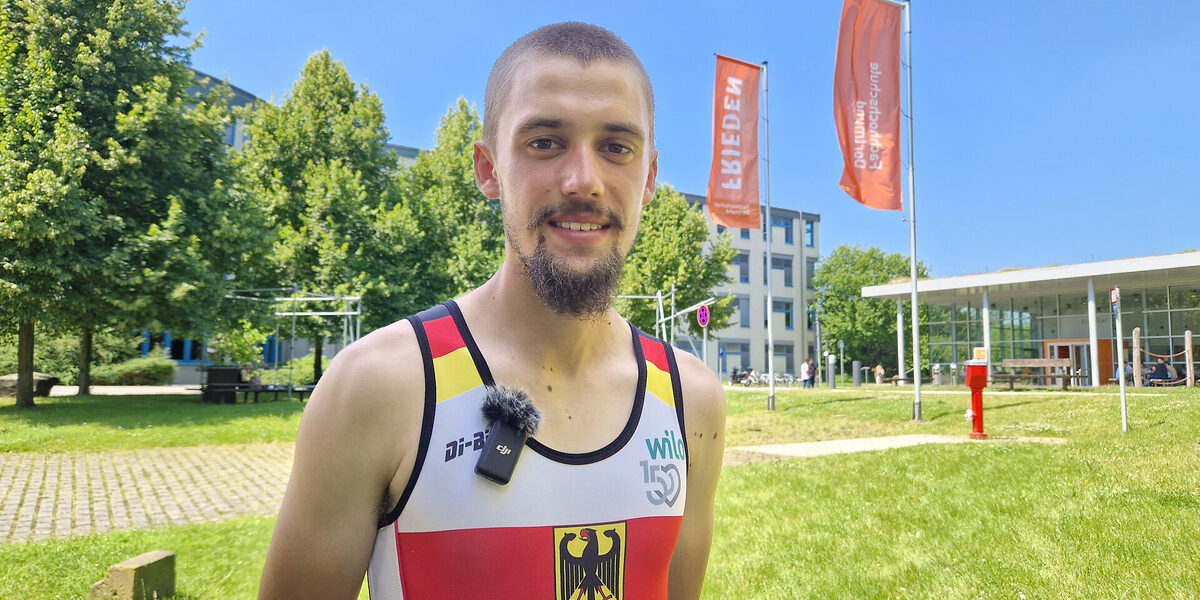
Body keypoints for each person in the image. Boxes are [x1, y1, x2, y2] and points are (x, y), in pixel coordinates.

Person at [258, 23, 726, 600]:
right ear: (488, 169)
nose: (585, 180)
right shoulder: (376, 388)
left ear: (649, 176)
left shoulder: (690, 399)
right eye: (545, 142)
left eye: (616, 148)